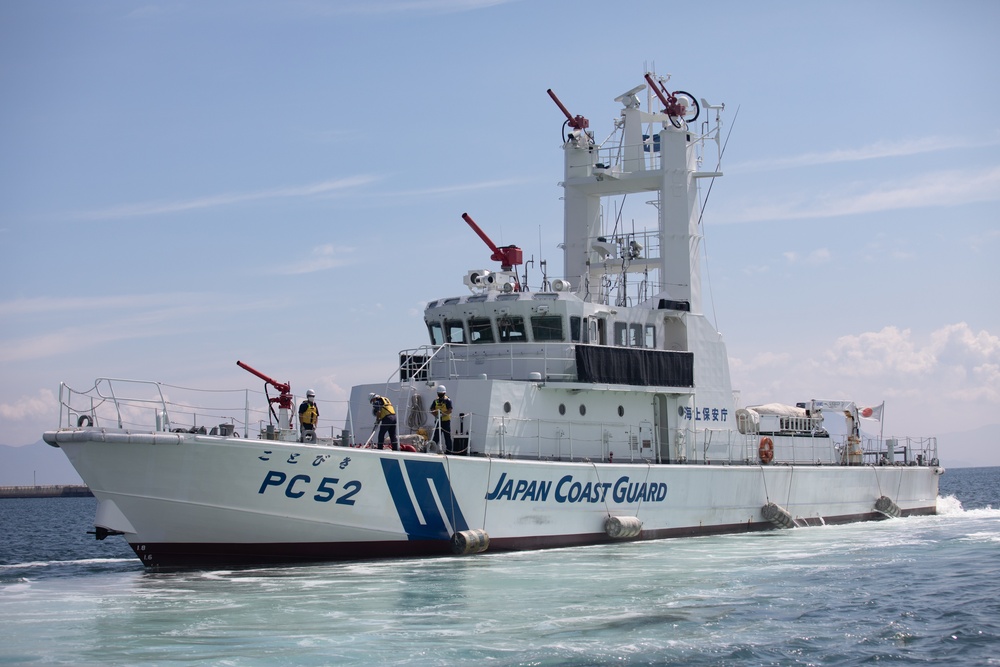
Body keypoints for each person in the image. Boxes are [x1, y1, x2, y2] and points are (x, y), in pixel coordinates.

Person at [430, 385, 454, 453]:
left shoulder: (448, 400)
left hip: (446, 422)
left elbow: (450, 410)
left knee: (447, 437)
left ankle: (449, 451)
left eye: (441, 394)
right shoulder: (436, 401)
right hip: (438, 421)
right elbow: (432, 409)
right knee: (436, 437)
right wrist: (436, 415)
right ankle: (432, 450)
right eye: (439, 394)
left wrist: (442, 414)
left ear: (444, 393)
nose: (440, 395)